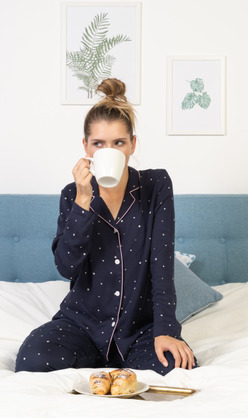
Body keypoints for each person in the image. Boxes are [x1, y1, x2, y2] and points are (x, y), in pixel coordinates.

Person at [15, 78, 197, 375]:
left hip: (140, 328)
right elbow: (66, 268)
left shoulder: (156, 186)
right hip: (82, 324)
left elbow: (162, 267)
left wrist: (166, 329)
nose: (109, 150)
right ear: (86, 147)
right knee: (32, 359)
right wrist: (83, 201)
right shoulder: (72, 194)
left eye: (118, 143)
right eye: (99, 143)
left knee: (177, 367)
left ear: (132, 145)